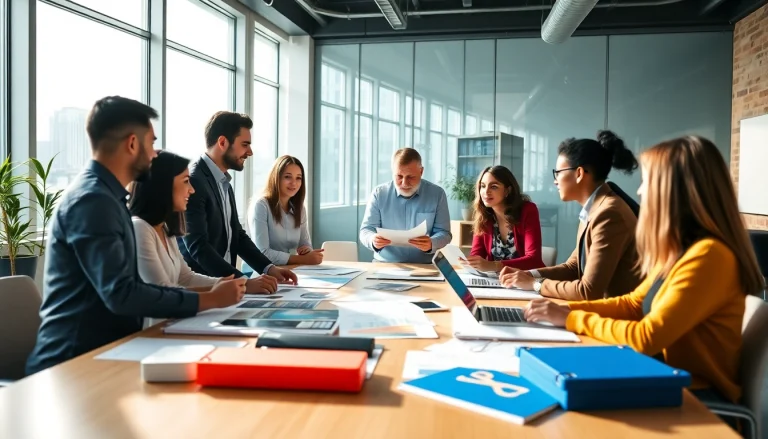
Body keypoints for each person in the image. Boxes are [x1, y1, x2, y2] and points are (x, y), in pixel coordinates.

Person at [523, 136, 764, 409]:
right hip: (666, 380)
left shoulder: (709, 256)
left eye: (647, 181)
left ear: (673, 191)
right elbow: (632, 303)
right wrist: (562, 312)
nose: (639, 192)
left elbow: (646, 338)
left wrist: (571, 318)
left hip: (697, 400)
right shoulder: (681, 250)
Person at [26, 97, 245, 375]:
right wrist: (209, 299)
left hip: (107, 351)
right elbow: (121, 293)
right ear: (132, 144)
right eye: (151, 143)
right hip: (75, 362)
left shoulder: (109, 198)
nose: (155, 154)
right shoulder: (92, 201)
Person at [500, 130, 642, 300]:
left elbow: (588, 291)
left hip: (616, 319)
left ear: (579, 173)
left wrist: (535, 284)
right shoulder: (596, 208)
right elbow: (573, 267)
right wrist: (528, 274)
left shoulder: (609, 214)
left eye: (558, 172)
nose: (555, 180)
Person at [178, 111, 297, 292]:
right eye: (245, 145)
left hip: (228, 290)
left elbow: (238, 236)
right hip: (204, 292)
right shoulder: (195, 181)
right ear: (223, 142)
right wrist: (243, 282)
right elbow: (198, 247)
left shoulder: (224, 182)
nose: (249, 152)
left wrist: (269, 268)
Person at [129, 151, 255, 293]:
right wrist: (218, 294)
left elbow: (185, 278)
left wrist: (237, 284)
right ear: (163, 185)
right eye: (185, 181)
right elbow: (163, 293)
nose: (192, 190)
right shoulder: (139, 228)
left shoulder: (164, 228)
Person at [359, 148, 452, 264]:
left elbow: (445, 233)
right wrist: (372, 239)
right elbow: (366, 230)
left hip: (425, 266)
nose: (404, 183)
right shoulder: (379, 194)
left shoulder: (437, 194)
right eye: (399, 176)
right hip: (385, 264)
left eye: (410, 177)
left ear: (421, 171)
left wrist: (432, 243)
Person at [465, 166, 544, 272]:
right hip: (497, 283)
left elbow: (533, 260)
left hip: (527, 281)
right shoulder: (484, 216)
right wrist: (470, 263)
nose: (486, 191)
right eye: (482, 186)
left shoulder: (528, 210)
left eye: (494, 187)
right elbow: (477, 255)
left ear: (507, 190)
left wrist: (493, 265)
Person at [248, 155, 323, 266]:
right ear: (276, 178)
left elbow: (305, 243)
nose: (294, 183)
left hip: (290, 270)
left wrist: (307, 251)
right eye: (288, 177)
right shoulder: (261, 206)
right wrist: (303, 260)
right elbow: (263, 253)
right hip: (263, 273)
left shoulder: (300, 208)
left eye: (298, 178)